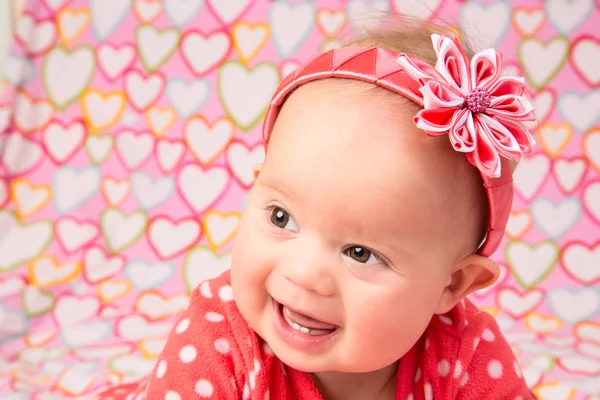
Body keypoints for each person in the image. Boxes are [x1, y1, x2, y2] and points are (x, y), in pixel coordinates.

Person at [98, 17, 538, 400]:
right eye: (280, 218)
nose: (304, 273)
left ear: (454, 283)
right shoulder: (217, 338)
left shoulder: (466, 357)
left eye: (361, 253)